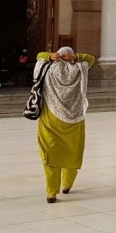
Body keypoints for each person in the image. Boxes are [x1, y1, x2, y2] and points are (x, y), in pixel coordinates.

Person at [35, 46, 94, 202]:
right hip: (75, 119)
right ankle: (67, 184)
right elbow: (90, 59)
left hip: (51, 120)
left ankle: (51, 192)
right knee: (72, 152)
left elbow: (39, 56)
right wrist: (75, 57)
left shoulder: (48, 68)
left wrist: (49, 56)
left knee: (50, 153)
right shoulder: (80, 68)